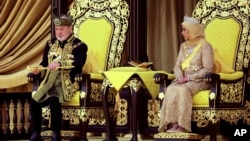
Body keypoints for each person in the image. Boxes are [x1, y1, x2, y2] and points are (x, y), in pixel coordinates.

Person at [29, 14, 88, 141]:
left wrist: (60, 63)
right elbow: (45, 63)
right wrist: (37, 71)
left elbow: (79, 64)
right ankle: (36, 132)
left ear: (70, 29)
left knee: (53, 100)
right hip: (48, 83)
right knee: (34, 100)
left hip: (66, 84)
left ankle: (56, 133)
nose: (59, 32)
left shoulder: (80, 45)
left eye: (62, 29)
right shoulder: (50, 44)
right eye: (57, 29)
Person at [158, 15, 214, 133]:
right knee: (170, 89)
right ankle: (172, 124)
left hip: (200, 80)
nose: (182, 33)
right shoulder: (183, 46)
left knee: (183, 90)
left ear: (193, 30)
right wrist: (179, 77)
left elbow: (208, 69)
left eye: (185, 30)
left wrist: (189, 77)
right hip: (183, 79)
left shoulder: (205, 46)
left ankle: (182, 125)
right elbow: (177, 66)